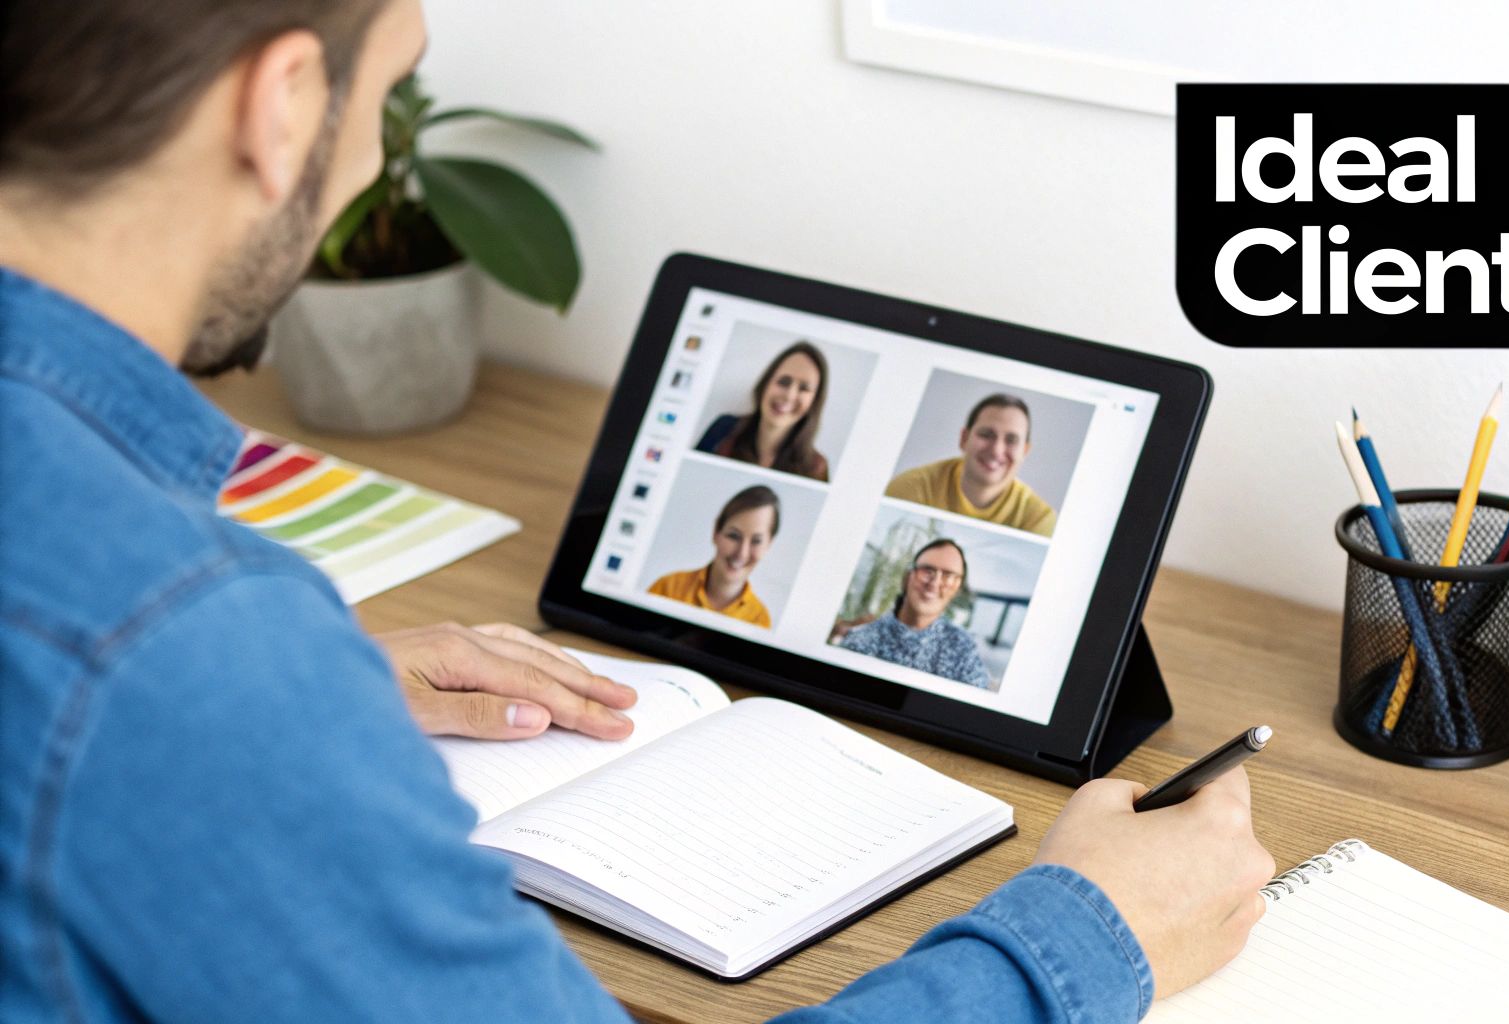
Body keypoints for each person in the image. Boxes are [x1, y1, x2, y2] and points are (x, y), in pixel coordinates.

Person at [0, 2, 1275, 1022]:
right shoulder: (177, 656)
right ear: (281, 105)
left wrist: (284, 696)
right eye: (388, 91)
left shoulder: (154, 649)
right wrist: (1077, 939)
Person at [887, 394, 1057, 537]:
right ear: (964, 439)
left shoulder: (1039, 520)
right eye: (986, 434)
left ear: (1024, 452)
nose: (996, 450)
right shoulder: (912, 488)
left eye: (1011, 440)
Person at [840, 539, 992, 687]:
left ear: (957, 588)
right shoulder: (860, 640)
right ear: (908, 577)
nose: (934, 583)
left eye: (948, 576)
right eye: (927, 571)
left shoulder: (964, 649)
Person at [696, 340, 831, 481]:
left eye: (804, 388)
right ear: (766, 383)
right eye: (784, 381)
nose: (789, 395)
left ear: (814, 401)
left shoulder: (817, 468)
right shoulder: (723, 429)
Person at [647, 485, 779, 627]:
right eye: (734, 536)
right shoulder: (667, 588)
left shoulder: (760, 620)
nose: (742, 553)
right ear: (716, 532)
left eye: (756, 541)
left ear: (768, 545)